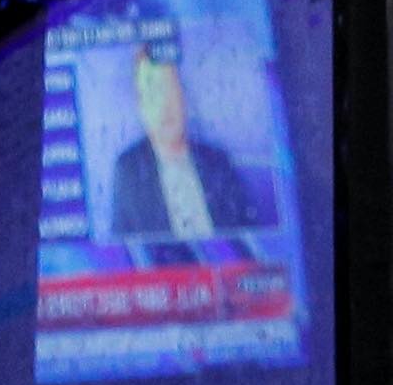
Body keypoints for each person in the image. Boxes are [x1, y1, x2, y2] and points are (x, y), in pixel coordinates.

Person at [106, 26, 274, 239]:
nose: (165, 104)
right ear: (141, 107)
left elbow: (254, 241)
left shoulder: (218, 162)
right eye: (154, 92)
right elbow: (124, 257)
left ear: (183, 96)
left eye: (170, 88)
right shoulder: (128, 170)